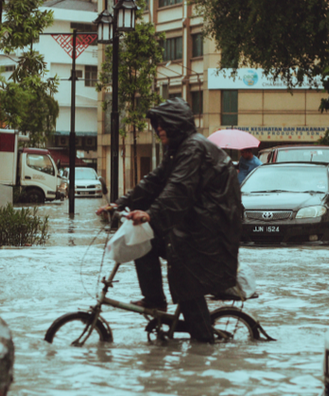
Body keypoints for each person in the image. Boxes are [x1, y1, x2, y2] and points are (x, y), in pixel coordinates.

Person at [96, 98, 243, 343]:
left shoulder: (193, 148)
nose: (159, 130)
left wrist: (151, 214)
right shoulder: (178, 150)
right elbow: (155, 180)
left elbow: (178, 189)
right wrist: (121, 203)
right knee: (143, 241)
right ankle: (155, 301)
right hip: (196, 226)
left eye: (164, 124)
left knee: (184, 278)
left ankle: (203, 346)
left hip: (209, 233)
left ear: (178, 124)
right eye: (157, 125)